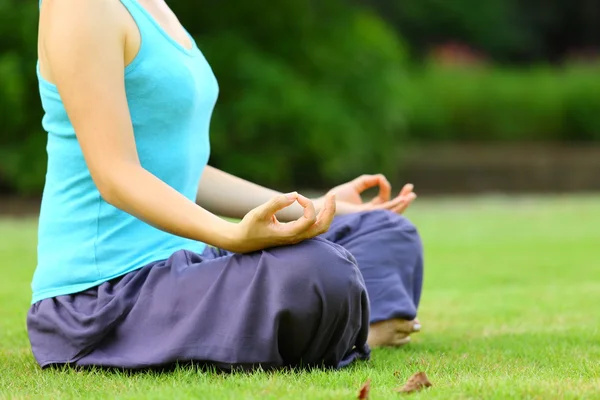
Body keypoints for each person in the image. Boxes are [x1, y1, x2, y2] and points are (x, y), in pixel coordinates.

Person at [27, 0, 424, 371]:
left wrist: (315, 207)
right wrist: (231, 236)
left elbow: (185, 173)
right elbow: (116, 175)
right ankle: (362, 330)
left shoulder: (153, 6)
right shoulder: (79, 6)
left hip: (188, 264)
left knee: (384, 231)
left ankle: (340, 324)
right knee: (322, 271)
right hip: (104, 294)